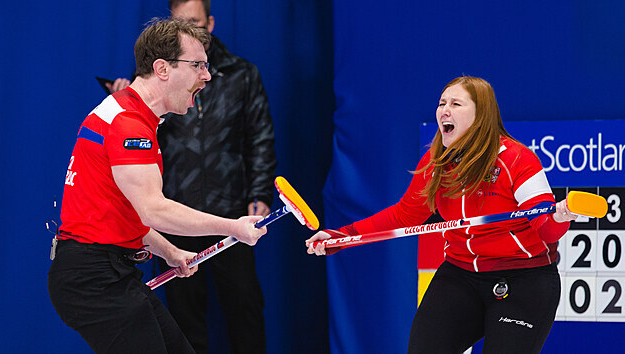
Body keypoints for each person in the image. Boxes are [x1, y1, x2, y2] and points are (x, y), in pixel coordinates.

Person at [306, 76, 578, 353]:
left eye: (456, 103)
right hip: (461, 275)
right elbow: (404, 216)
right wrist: (344, 236)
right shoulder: (436, 162)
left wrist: (560, 216)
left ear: (481, 114)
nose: (444, 110)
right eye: (441, 103)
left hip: (523, 280)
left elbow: (546, 228)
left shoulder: (516, 159)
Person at [47, 18, 267, 354]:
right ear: (162, 68)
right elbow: (154, 209)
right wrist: (233, 227)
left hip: (107, 272)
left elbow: (125, 209)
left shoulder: (131, 115)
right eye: (197, 66)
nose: (206, 77)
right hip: (94, 279)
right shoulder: (129, 125)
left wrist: (170, 251)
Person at [108, 1, 276, 352]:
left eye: (197, 24)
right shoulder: (139, 107)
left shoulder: (243, 75)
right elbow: (141, 178)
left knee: (245, 310)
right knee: (182, 320)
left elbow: (259, 139)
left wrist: (258, 197)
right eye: (196, 66)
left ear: (210, 23)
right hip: (173, 211)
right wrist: (126, 102)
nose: (205, 77)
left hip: (229, 207)